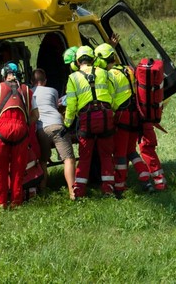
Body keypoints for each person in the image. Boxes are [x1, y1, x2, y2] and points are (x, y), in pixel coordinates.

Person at [94, 43, 154, 198]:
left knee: (120, 154)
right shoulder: (127, 69)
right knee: (131, 151)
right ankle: (145, 178)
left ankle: (120, 186)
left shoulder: (110, 76)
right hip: (135, 114)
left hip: (122, 116)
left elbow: (111, 99)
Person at [63, 46, 119, 198]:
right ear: (93, 59)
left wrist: (67, 125)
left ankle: (79, 190)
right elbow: (112, 94)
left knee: (85, 155)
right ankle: (108, 188)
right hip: (105, 116)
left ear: (77, 61)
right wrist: (111, 112)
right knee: (106, 154)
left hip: (86, 119)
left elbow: (71, 104)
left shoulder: (73, 78)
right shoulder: (104, 73)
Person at [0, 62, 39, 208]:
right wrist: (26, 124)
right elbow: (36, 114)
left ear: (4, 75)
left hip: (2, 130)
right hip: (21, 130)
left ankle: (1, 203)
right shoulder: (27, 90)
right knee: (18, 169)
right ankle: (16, 201)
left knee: (0, 168)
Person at [32, 68, 76, 199]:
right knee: (68, 159)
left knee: (43, 160)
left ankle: (43, 189)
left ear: (31, 81)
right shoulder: (53, 91)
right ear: (45, 81)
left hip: (41, 129)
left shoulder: (29, 92)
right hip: (57, 125)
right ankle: (72, 192)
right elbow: (56, 106)